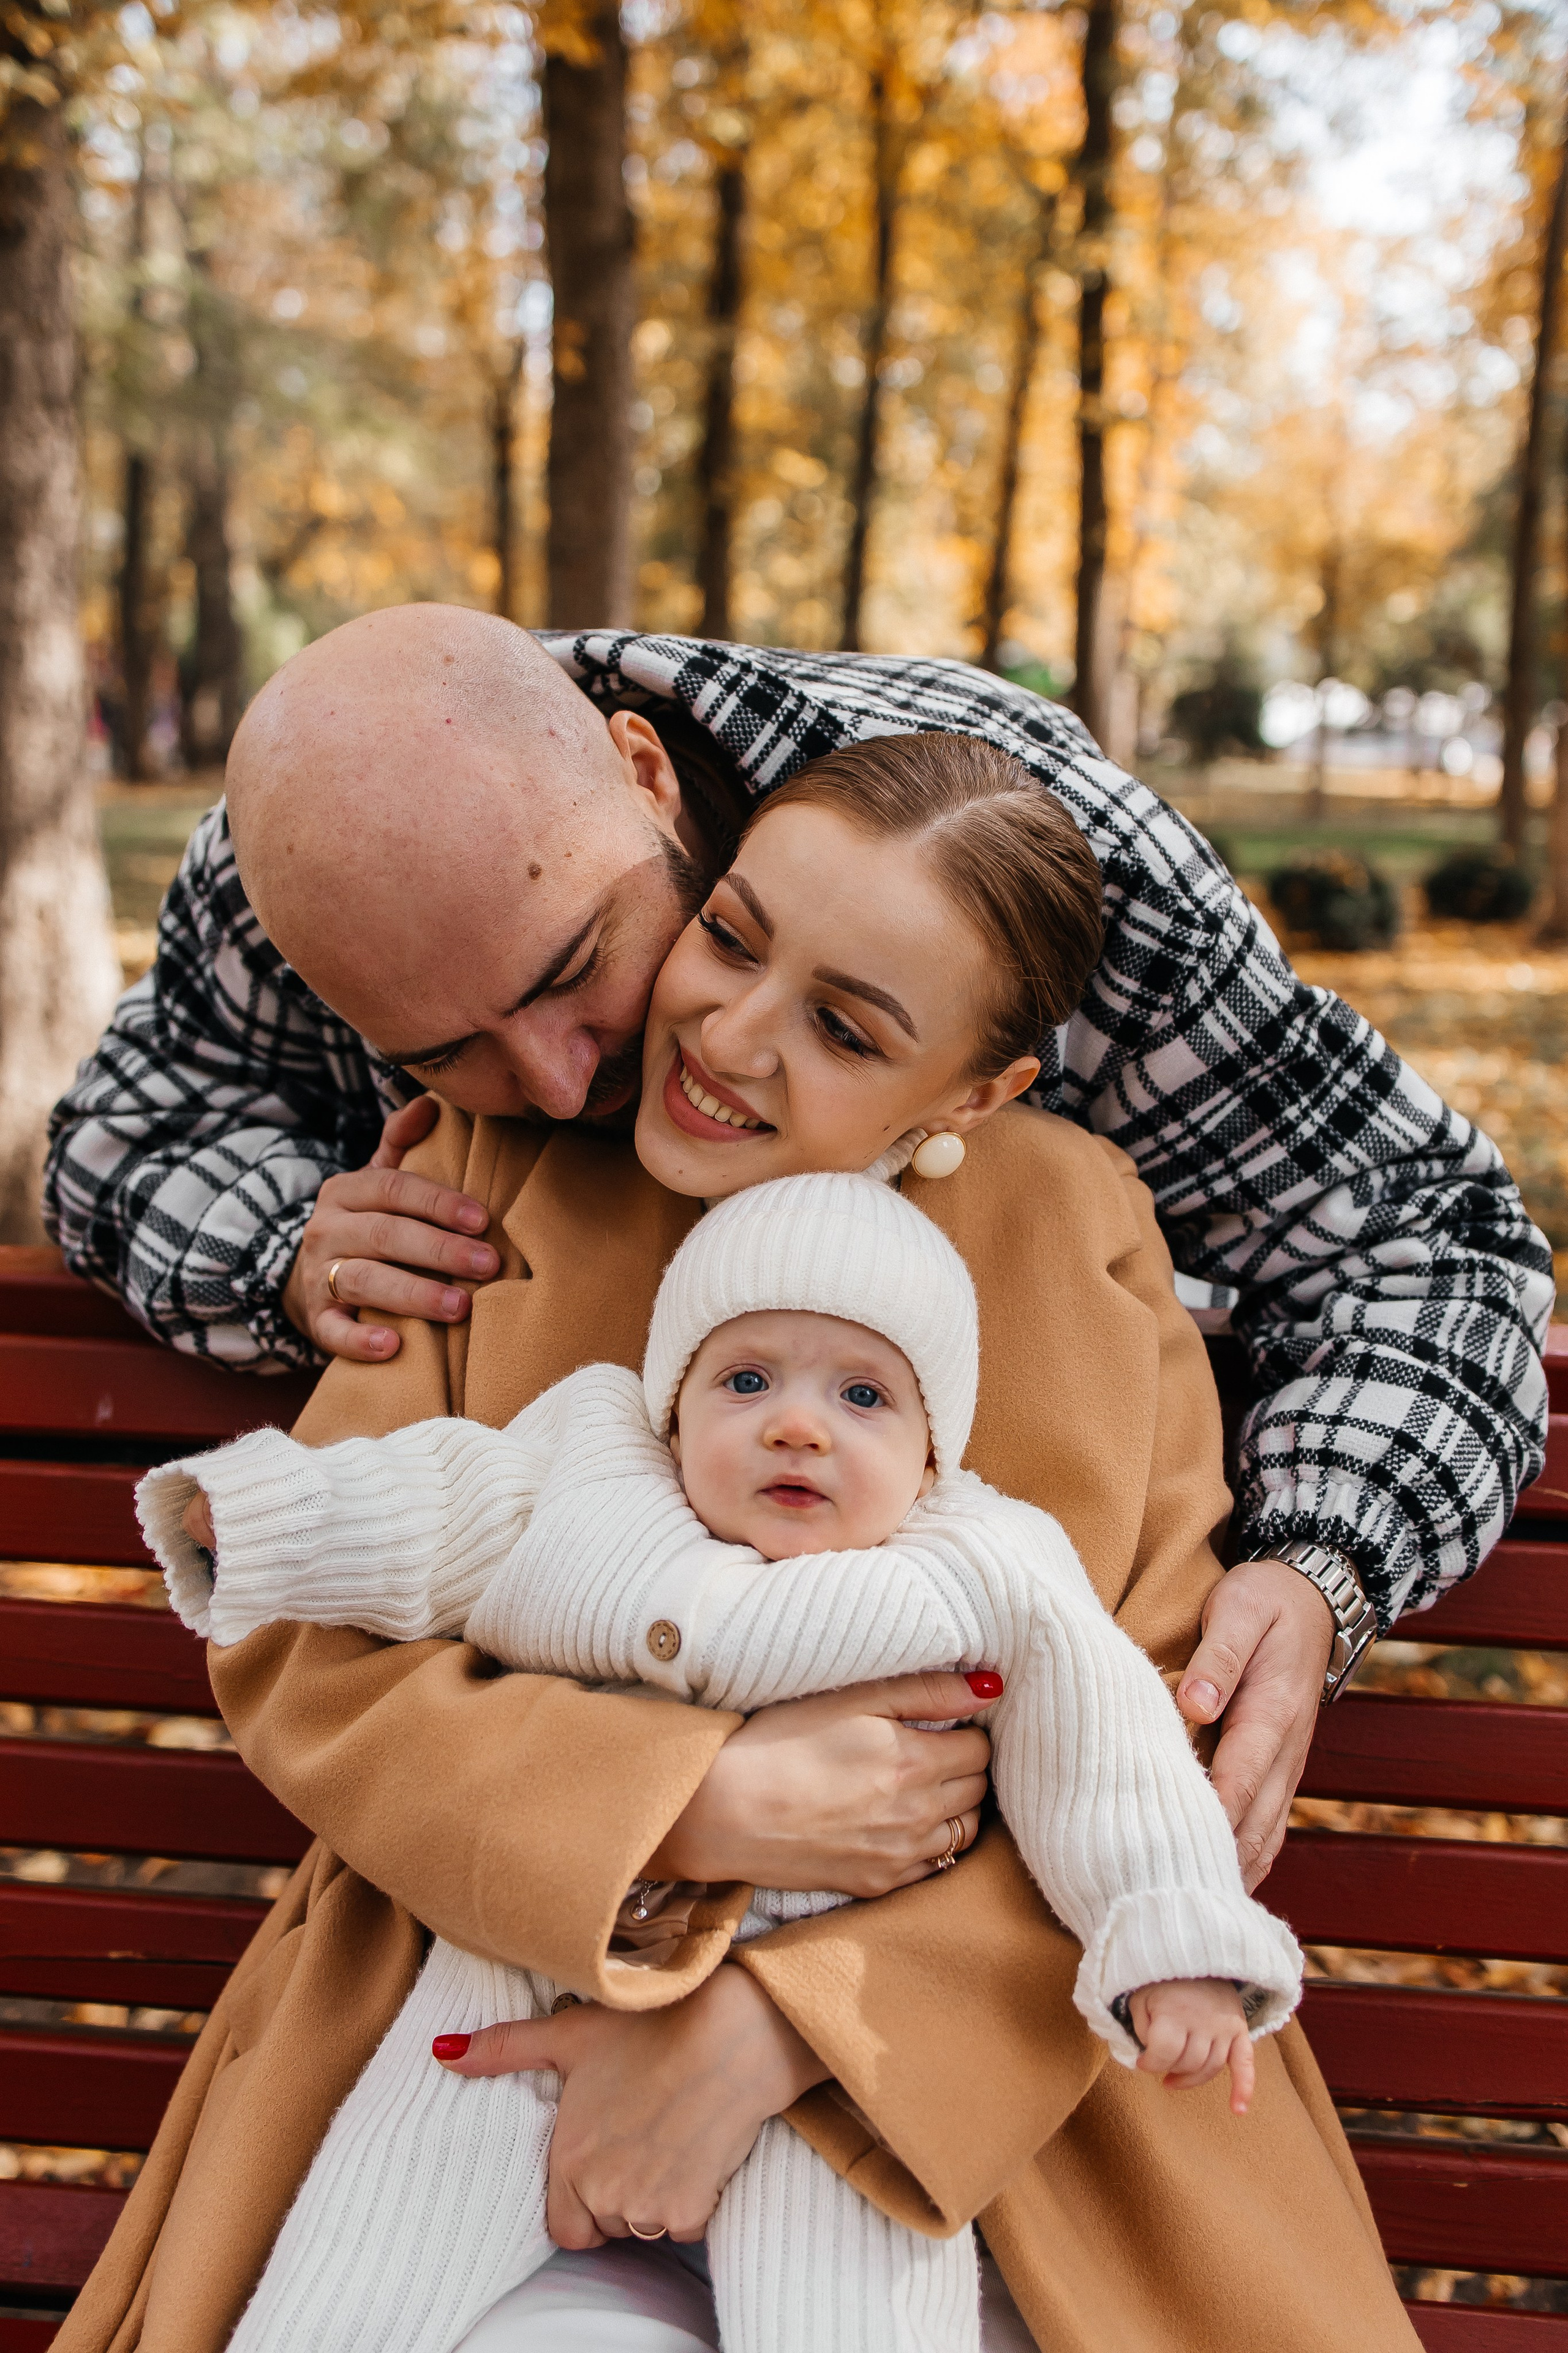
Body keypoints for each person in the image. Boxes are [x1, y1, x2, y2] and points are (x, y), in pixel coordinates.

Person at [57, 734, 1422, 2353]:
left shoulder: (1075, 1233)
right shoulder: (490, 1167)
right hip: (494, 2014)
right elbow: (316, 1653)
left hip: (991, 2109)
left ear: (974, 1093)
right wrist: (678, 1808)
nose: (731, 1035)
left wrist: (783, 2028)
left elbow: (1142, 1734)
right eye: (729, 935)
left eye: (849, 1027)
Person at [43, 609, 1553, 1903]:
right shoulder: (296, 862)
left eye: (577, 969)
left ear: (644, 774)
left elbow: (1431, 1237)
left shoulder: (1048, 870)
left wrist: (1318, 1562)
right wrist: (284, 1242)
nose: (567, 1087)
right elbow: (118, 1135)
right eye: (442, 1052)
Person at [138, 1203, 1299, 2346]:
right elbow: (429, 1501)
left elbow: (1113, 1760)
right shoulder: (589, 1475)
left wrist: (1175, 1944)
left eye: (863, 1395)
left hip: (833, 2038)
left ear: (933, 1449)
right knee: (372, 2245)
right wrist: (263, 1518)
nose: (799, 1425)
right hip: (533, 1967)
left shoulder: (987, 1559)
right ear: (673, 1405)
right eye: (746, 1381)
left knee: (850, 2304)